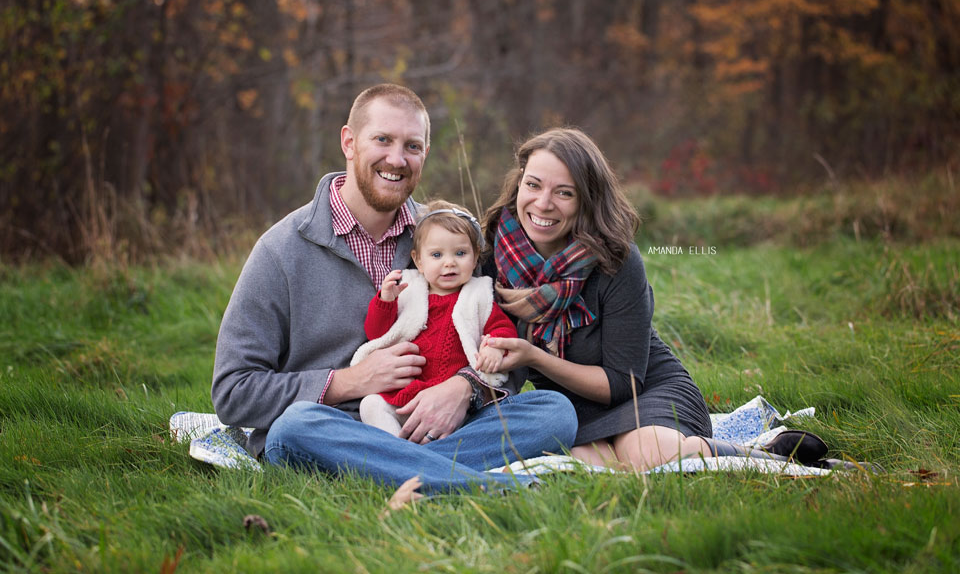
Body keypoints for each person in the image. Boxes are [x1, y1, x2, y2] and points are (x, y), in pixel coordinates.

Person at [212, 85, 577, 493]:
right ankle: (480, 486)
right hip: (336, 431)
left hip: (441, 425)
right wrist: (349, 382)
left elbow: (503, 349)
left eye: (413, 146)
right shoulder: (281, 250)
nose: (397, 159)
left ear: (425, 154)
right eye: (382, 140)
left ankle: (401, 473)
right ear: (349, 142)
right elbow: (233, 392)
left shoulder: (447, 239)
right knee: (292, 430)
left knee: (554, 412)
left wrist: (465, 388)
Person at [477, 128, 833, 471]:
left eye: (564, 193)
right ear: (519, 182)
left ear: (587, 199)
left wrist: (536, 357)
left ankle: (767, 456)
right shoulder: (490, 258)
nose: (543, 203)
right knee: (585, 464)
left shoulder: (614, 260)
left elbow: (622, 382)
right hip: (566, 408)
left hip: (646, 392)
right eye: (533, 185)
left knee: (646, 454)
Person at [353, 200, 516, 436]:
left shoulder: (478, 296)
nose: (449, 262)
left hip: (454, 408)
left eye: (460, 253)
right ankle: (399, 452)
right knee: (371, 405)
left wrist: (493, 348)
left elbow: (502, 329)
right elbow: (377, 333)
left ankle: (422, 454)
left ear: (475, 256)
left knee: (543, 409)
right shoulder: (409, 291)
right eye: (437, 254)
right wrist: (385, 302)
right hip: (406, 397)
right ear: (419, 260)